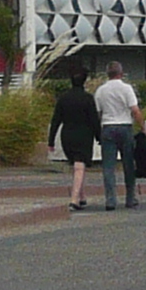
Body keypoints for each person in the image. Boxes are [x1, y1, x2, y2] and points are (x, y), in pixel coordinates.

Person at [93, 60, 146, 210]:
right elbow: (135, 110)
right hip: (125, 127)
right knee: (128, 164)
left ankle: (110, 200)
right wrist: (143, 128)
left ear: (107, 74)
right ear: (121, 74)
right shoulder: (126, 89)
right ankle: (130, 198)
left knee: (108, 166)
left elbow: (98, 112)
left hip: (108, 127)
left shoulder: (100, 90)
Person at [50, 71, 101, 211]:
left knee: (77, 166)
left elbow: (55, 120)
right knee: (80, 165)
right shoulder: (88, 98)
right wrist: (99, 137)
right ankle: (74, 200)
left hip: (67, 135)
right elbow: (94, 120)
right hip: (84, 135)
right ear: (84, 81)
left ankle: (81, 196)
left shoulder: (63, 98)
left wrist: (51, 140)